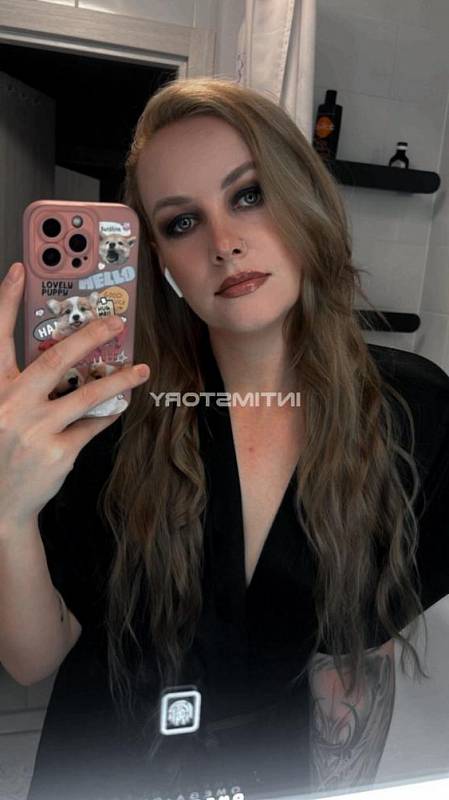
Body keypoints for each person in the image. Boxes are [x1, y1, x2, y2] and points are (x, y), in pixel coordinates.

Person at [1, 75, 449, 800]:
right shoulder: (108, 411)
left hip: (274, 775)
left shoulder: (413, 410)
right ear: (159, 257)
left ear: (303, 195)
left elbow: (357, 662)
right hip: (101, 771)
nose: (224, 244)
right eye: (182, 222)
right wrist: (7, 509)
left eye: (248, 194)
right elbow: (33, 658)